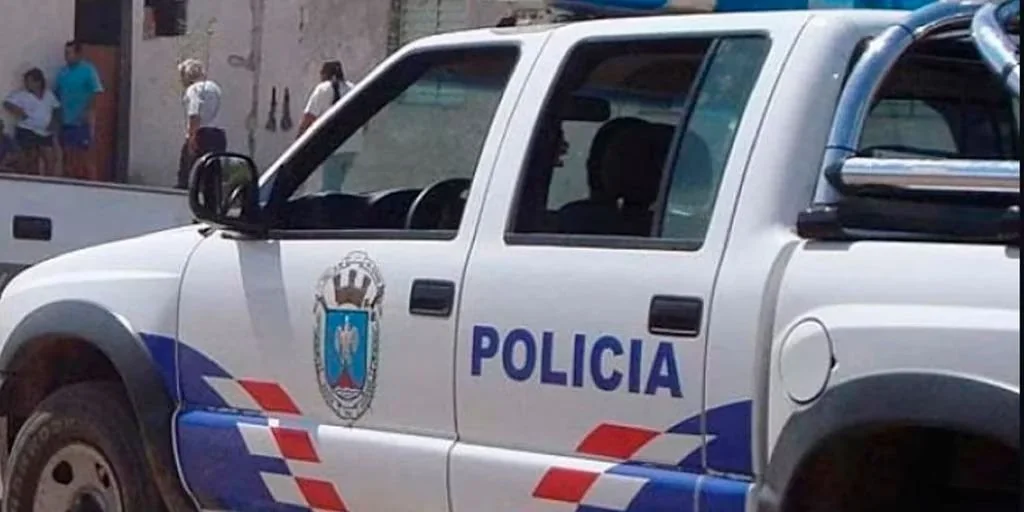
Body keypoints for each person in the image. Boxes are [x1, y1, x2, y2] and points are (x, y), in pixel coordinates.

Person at [297, 60, 361, 191]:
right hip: (354, 147)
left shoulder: (323, 89)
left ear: (325, 74)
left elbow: (309, 117)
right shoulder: (353, 88)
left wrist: (298, 141)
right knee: (342, 187)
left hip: (333, 148)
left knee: (329, 191)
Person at [55, 40, 104, 180]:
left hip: (82, 121)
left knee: (86, 156)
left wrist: (88, 112)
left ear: (78, 54)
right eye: (65, 53)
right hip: (66, 121)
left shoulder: (88, 70)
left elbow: (96, 92)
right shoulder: (62, 73)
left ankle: (92, 186)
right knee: (68, 157)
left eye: (69, 53)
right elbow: (57, 94)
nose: (66, 56)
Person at [176, 58, 226, 190]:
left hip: (202, 135)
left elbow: (194, 114)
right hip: (219, 135)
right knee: (212, 177)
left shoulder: (193, 89)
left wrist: (192, 139)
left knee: (189, 175)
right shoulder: (214, 87)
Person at [3, 68, 60, 176]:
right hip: (27, 129)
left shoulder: (49, 95)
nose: (27, 84)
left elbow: (56, 108)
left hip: (45, 131)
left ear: (38, 82)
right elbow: (7, 103)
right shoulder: (22, 95)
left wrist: (54, 122)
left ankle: (49, 180)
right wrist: (18, 111)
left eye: (29, 81)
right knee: (32, 158)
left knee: (50, 157)